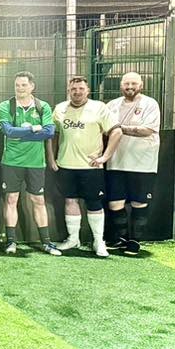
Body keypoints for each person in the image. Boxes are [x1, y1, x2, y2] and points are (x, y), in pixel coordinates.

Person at [49, 76, 122, 257]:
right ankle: (73, 239)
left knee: (94, 203)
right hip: (66, 165)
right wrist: (52, 158)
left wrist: (105, 157)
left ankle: (98, 242)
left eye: (81, 88)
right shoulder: (60, 109)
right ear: (69, 91)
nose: (77, 92)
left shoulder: (99, 107)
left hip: (91, 167)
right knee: (70, 201)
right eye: (74, 89)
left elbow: (116, 131)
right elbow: (53, 135)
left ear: (87, 91)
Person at [0, 71, 59, 256]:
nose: (20, 88)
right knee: (11, 199)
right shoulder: (5, 106)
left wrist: (22, 134)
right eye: (17, 85)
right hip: (11, 162)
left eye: (24, 85)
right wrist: (33, 129)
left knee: (38, 200)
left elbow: (49, 132)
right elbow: (8, 131)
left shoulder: (42, 106)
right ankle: (11, 241)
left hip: (36, 163)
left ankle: (46, 242)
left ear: (32, 86)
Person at [105, 72, 159, 255]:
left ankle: (135, 241)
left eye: (133, 83)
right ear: (121, 85)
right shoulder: (112, 105)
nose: (130, 87)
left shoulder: (150, 104)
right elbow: (104, 128)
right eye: (126, 83)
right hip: (116, 162)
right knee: (115, 203)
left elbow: (146, 130)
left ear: (141, 85)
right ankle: (121, 239)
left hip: (143, 163)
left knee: (139, 202)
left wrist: (119, 128)